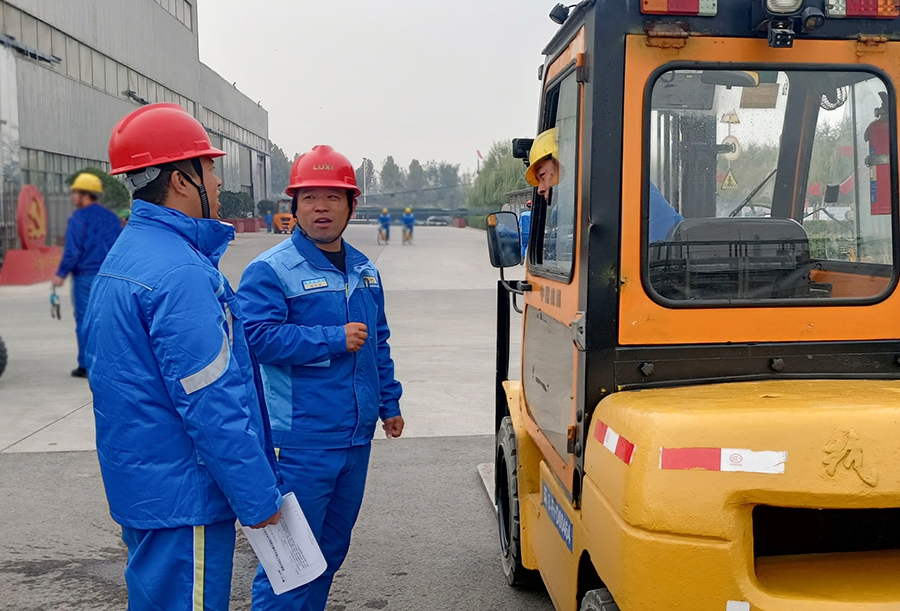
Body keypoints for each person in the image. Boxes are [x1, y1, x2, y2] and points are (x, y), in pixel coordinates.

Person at [83, 103, 282, 611]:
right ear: (181, 179)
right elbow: (211, 402)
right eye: (209, 167)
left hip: (146, 485)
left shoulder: (126, 256)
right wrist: (258, 496)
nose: (218, 180)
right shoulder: (179, 274)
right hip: (184, 495)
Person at [237, 145, 404, 611]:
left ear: (351, 205)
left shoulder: (365, 270)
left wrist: (389, 403)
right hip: (300, 441)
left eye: (333, 197)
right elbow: (256, 339)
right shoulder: (271, 270)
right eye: (309, 197)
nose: (321, 207)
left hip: (354, 438)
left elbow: (378, 342)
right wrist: (331, 338)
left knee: (329, 553)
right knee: (291, 564)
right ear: (294, 206)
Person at [526, 128, 682, 244]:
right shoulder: (614, 176)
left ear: (566, 162)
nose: (540, 189)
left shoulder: (601, 188)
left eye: (543, 175)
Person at [52, 173, 122, 378]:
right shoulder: (111, 218)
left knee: (84, 320)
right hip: (107, 276)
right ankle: (108, 362)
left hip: (85, 277)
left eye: (75, 193)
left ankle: (85, 365)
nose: (73, 197)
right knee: (106, 319)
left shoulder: (78, 218)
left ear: (85, 195)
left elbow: (73, 251)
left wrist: (61, 273)